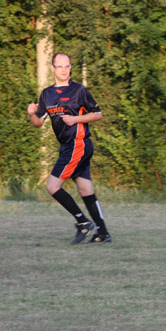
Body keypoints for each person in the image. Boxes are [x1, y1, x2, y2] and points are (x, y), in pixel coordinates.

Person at [27, 52, 110, 244]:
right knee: (85, 189)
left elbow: (97, 114)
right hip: (68, 146)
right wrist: (32, 114)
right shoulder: (47, 94)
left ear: (70, 68)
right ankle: (103, 233)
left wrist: (75, 119)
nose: (64, 70)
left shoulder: (79, 90)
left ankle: (83, 222)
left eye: (67, 66)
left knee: (52, 186)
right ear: (53, 69)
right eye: (60, 66)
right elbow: (38, 123)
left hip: (78, 144)